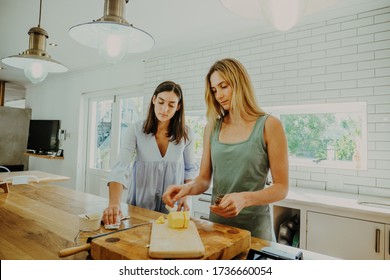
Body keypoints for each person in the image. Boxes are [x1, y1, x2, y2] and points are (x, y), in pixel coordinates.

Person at [163, 58, 289, 240]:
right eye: (214, 90)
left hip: (255, 233)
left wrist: (244, 199)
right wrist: (185, 188)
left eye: (224, 86)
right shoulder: (212, 127)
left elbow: (281, 188)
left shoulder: (270, 125)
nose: (219, 95)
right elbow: (204, 180)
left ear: (240, 83)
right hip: (217, 229)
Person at [103, 81, 198, 225]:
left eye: (171, 105)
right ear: (154, 100)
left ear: (178, 107)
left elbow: (190, 170)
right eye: (161, 102)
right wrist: (114, 203)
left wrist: (186, 196)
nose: (164, 109)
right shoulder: (135, 130)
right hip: (140, 208)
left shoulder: (186, 134)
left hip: (173, 210)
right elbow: (120, 168)